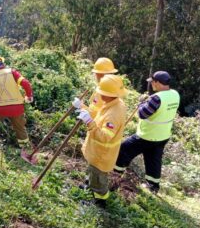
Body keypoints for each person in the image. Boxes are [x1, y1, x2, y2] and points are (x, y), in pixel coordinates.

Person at [114, 71, 180, 193]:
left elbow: (142, 114)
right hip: (162, 136)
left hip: (146, 136)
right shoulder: (175, 94)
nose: (151, 85)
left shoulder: (156, 98)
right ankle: (153, 186)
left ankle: (114, 176)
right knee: (154, 160)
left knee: (123, 151)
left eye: (152, 82)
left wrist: (142, 102)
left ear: (158, 83)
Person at [77, 75, 127, 208]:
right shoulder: (112, 104)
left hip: (102, 155)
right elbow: (97, 117)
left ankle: (99, 202)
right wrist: (83, 108)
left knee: (99, 180)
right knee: (93, 174)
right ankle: (89, 186)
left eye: (103, 93)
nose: (100, 95)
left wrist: (89, 122)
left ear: (111, 94)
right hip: (97, 152)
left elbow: (104, 136)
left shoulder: (113, 114)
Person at [0, 54, 33, 149]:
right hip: (17, 108)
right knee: (20, 128)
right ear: (2, 62)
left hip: (1, 108)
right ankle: (25, 148)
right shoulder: (12, 72)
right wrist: (29, 96)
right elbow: (25, 83)